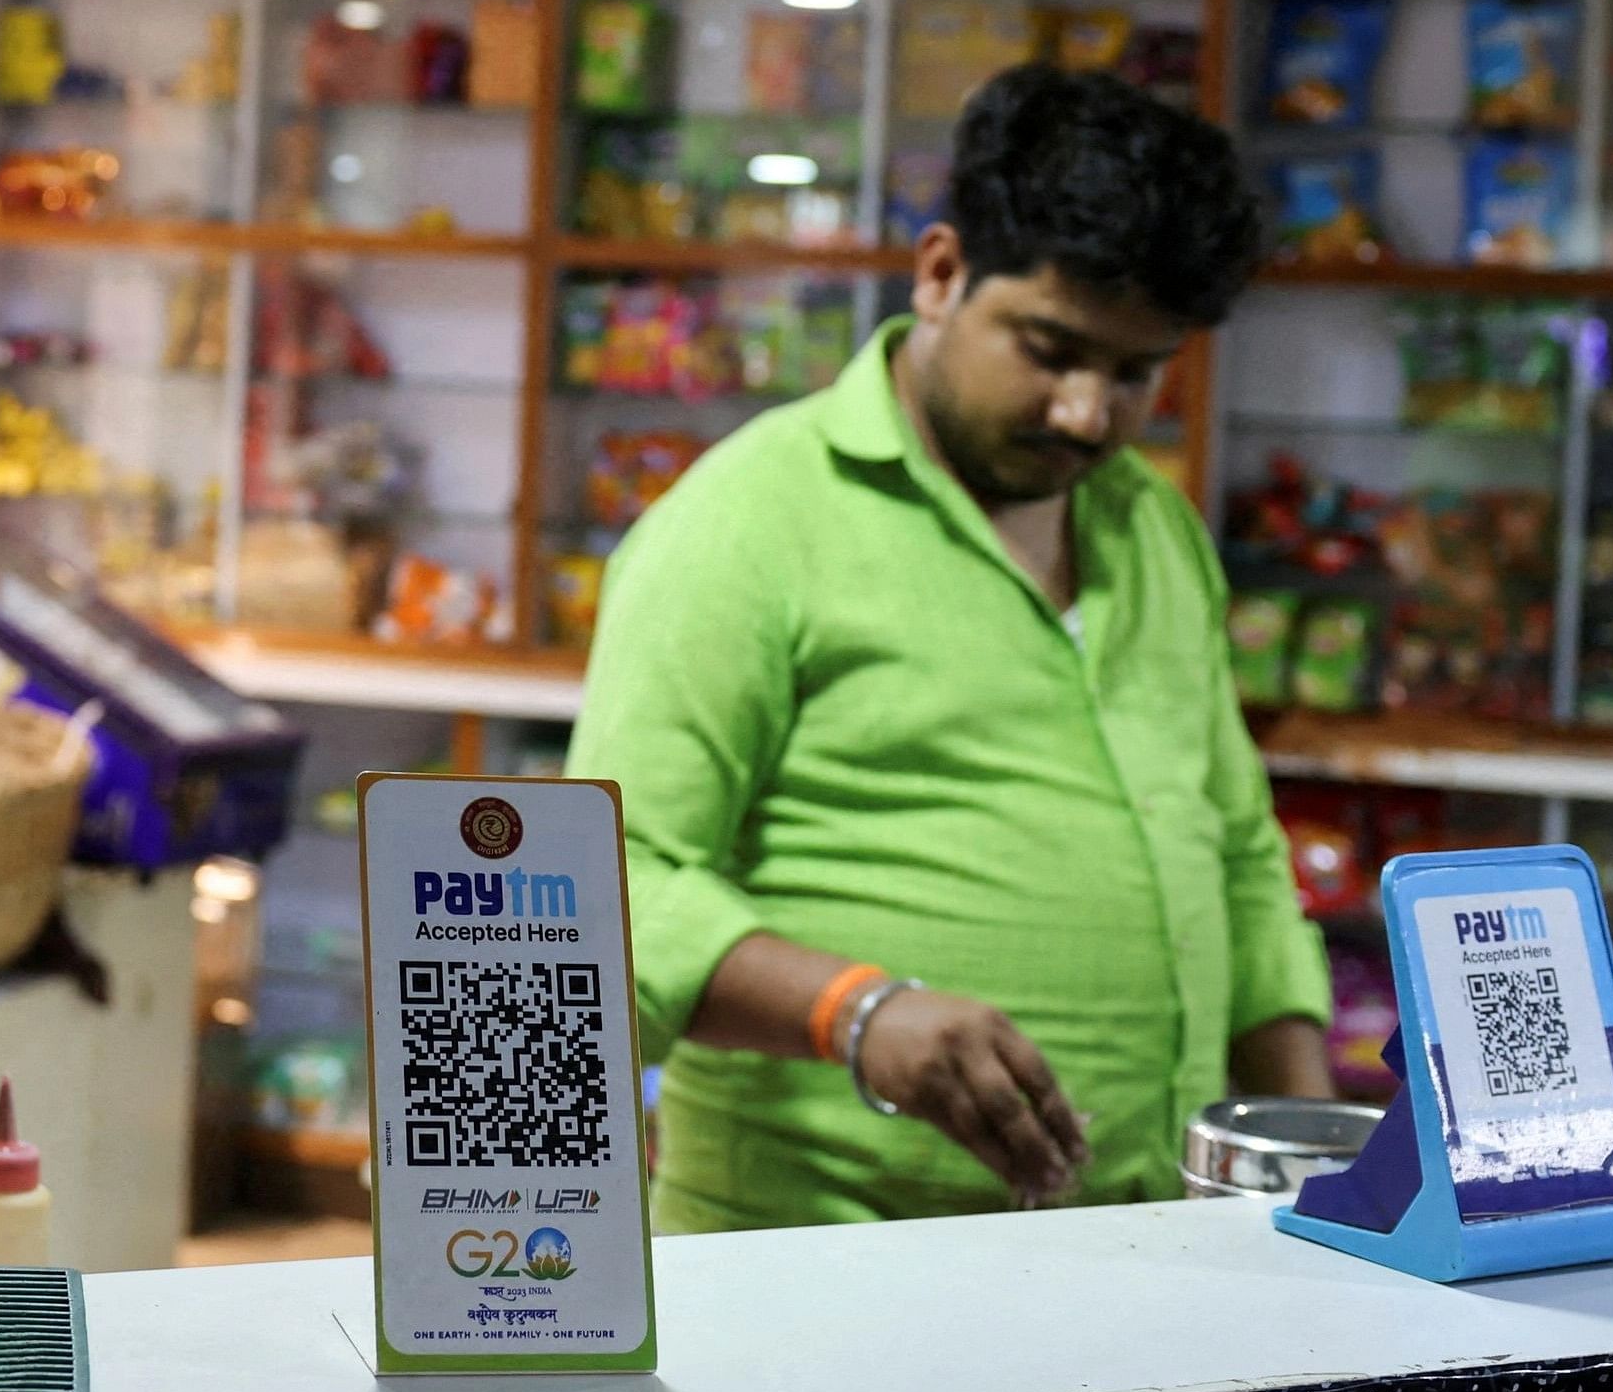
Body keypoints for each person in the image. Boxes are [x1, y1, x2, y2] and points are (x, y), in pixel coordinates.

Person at [568, 65, 1332, 1232]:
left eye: (1134, 373)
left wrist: (1315, 1158)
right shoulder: (744, 523)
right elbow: (609, 884)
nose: (1088, 412)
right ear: (938, 273)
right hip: (823, 1267)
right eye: (1049, 348)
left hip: (1147, 1244)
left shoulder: (1152, 527)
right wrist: (857, 1014)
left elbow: (1234, 852)